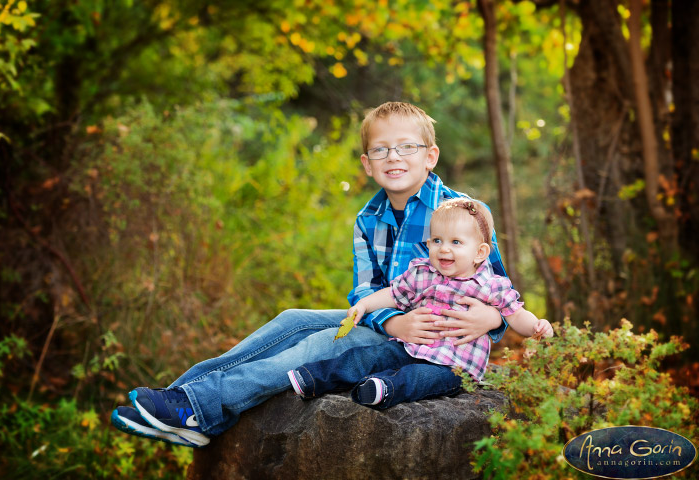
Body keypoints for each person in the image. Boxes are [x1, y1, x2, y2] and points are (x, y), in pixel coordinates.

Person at [111, 101, 510, 447]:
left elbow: (501, 292)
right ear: (366, 164)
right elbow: (365, 291)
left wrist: (492, 319)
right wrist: (394, 323)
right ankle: (180, 399)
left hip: (431, 344)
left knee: (316, 346)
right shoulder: (368, 219)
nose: (394, 157)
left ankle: (196, 409)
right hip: (389, 321)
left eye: (407, 147)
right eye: (381, 149)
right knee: (292, 320)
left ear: (431, 156)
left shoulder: (464, 212)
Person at [287, 198, 553, 409]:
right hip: (411, 346)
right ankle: (313, 378)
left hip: (454, 365)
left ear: (480, 252)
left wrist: (537, 326)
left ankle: (381, 389)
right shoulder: (422, 272)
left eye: (456, 242)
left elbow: (516, 314)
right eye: (437, 241)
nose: (443, 249)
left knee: (419, 379)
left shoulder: (492, 284)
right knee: (368, 357)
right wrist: (365, 304)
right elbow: (393, 294)